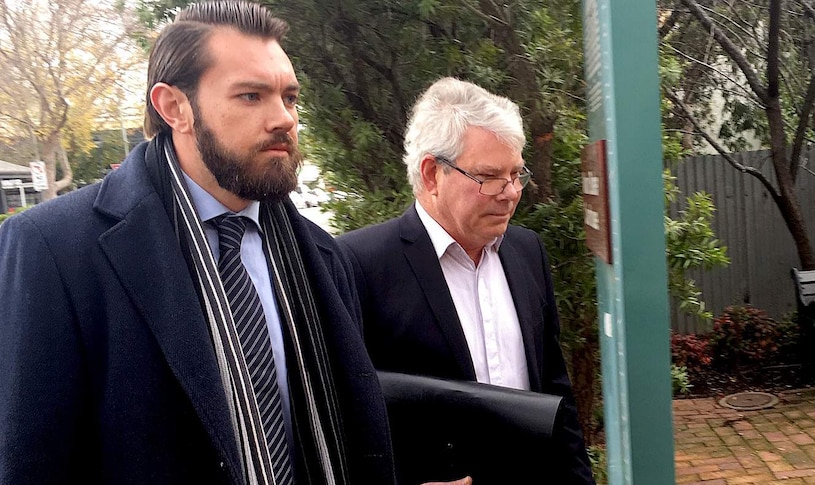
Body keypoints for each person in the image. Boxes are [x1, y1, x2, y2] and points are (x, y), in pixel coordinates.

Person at [0, 2, 397, 483]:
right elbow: (31, 462)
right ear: (174, 107)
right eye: (251, 96)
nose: (284, 119)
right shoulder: (55, 248)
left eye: (290, 98)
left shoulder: (320, 254)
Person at [337, 77, 596, 485]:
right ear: (431, 174)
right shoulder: (358, 264)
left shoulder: (527, 251)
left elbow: (554, 390)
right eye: (490, 176)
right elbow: (345, 414)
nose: (510, 192)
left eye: (516, 174)